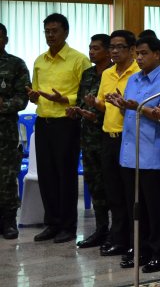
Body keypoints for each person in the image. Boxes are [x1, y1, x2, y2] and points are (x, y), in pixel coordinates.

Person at [110, 36, 160, 273]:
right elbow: (130, 107)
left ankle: (158, 251)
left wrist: (135, 106)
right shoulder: (133, 79)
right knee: (134, 207)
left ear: (158, 55)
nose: (139, 58)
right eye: (137, 53)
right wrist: (120, 103)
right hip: (129, 153)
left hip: (152, 154)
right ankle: (139, 248)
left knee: (154, 209)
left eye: (144, 53)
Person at [28, 13, 91, 244]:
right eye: (47, 31)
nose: (50, 35)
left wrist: (64, 98)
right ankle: (52, 223)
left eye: (54, 31)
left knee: (65, 176)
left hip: (67, 123)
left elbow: (86, 93)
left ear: (66, 32)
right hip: (43, 122)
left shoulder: (79, 60)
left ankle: (68, 226)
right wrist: (34, 96)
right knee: (47, 176)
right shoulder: (39, 60)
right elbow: (35, 94)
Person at [85, 30, 139, 258]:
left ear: (131, 50)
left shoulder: (137, 74)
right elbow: (106, 107)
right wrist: (94, 103)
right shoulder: (107, 74)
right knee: (113, 193)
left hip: (128, 139)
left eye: (120, 47)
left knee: (129, 194)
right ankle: (117, 239)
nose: (114, 51)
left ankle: (131, 240)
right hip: (107, 137)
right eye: (112, 47)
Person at [69, 34, 113, 249]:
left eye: (96, 48)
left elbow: (115, 109)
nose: (91, 52)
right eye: (90, 48)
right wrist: (76, 111)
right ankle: (100, 229)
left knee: (111, 186)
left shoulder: (113, 73)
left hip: (107, 138)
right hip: (88, 139)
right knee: (95, 185)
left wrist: (96, 116)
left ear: (107, 51)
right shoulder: (87, 74)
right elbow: (81, 100)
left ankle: (116, 231)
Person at [0, 23, 30, 240]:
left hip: (5, 131)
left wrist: (3, 105)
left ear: (6, 39)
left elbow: (23, 97)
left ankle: (8, 220)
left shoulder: (16, 64)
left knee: (7, 176)